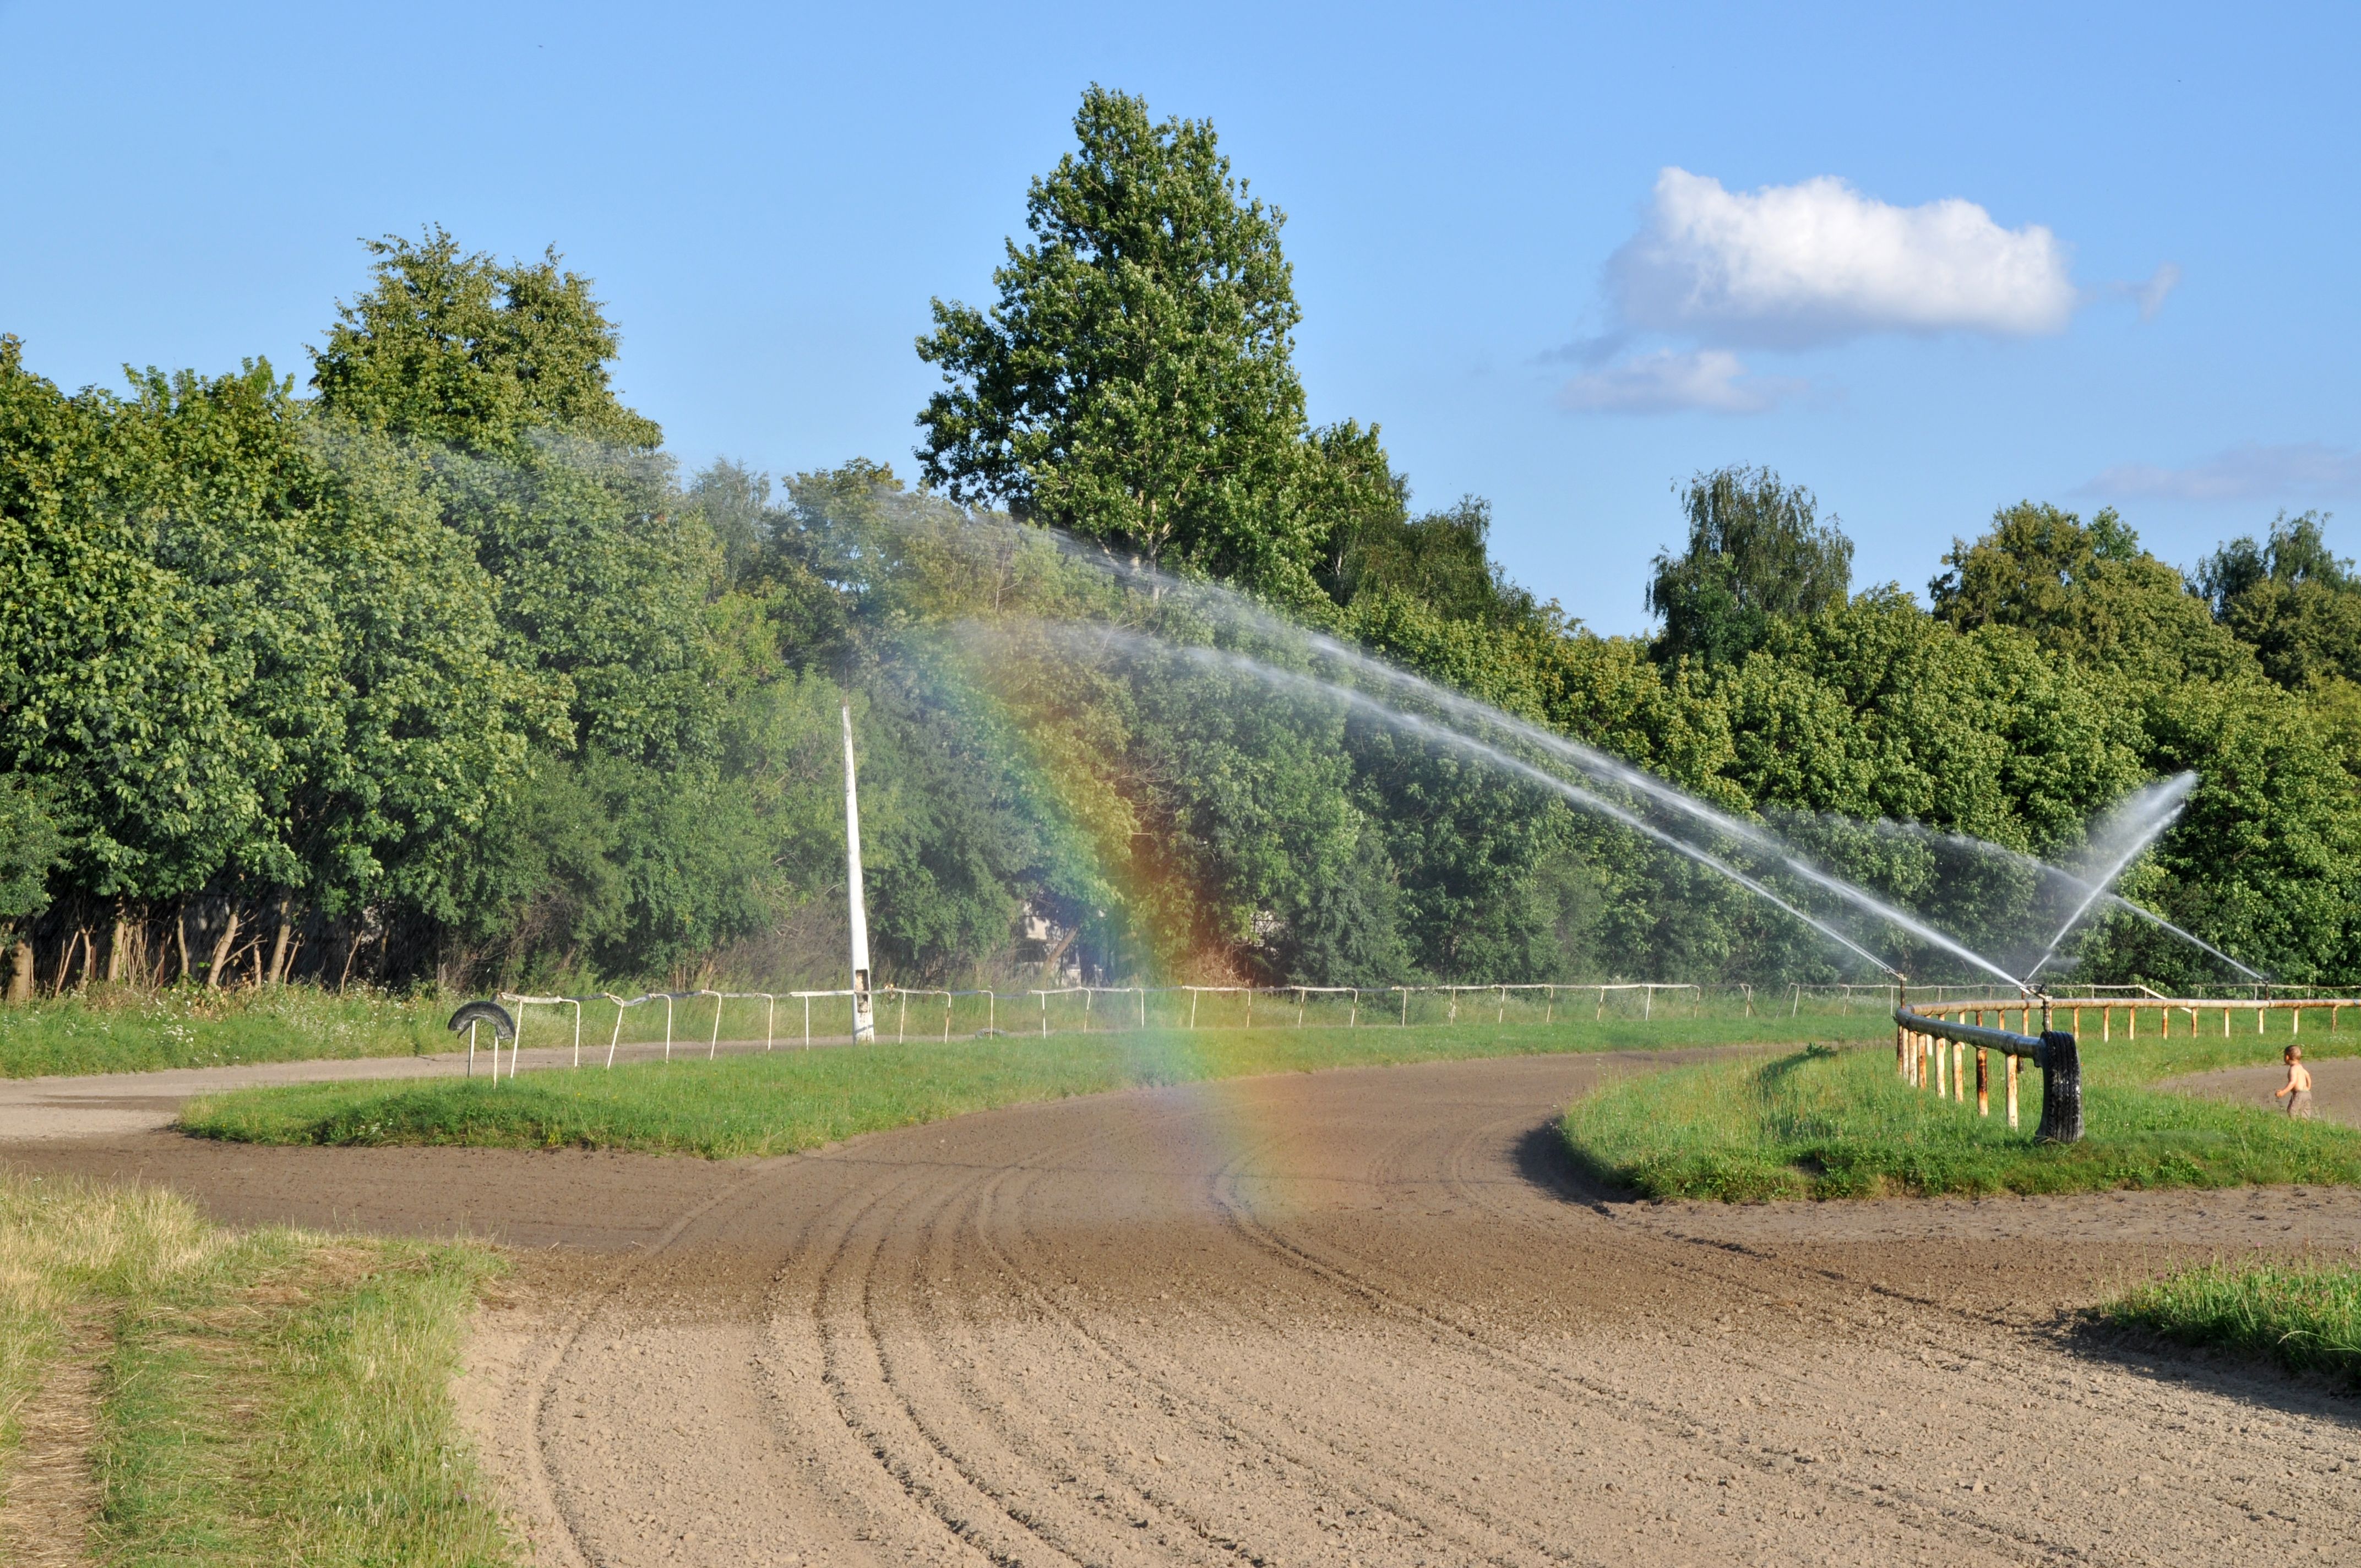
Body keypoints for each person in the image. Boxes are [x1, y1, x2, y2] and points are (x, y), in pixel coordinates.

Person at [2274, 1044, 2314, 1119]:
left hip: (2299, 1094)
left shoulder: (2293, 1069)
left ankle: (2295, 1124)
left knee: (2292, 1111)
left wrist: (2283, 1092)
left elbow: (2293, 1082)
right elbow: (2308, 1075)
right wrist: (2308, 1087)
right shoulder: (2300, 1067)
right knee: (2305, 1112)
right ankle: (2304, 1124)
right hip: (2307, 1094)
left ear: (2287, 1057)